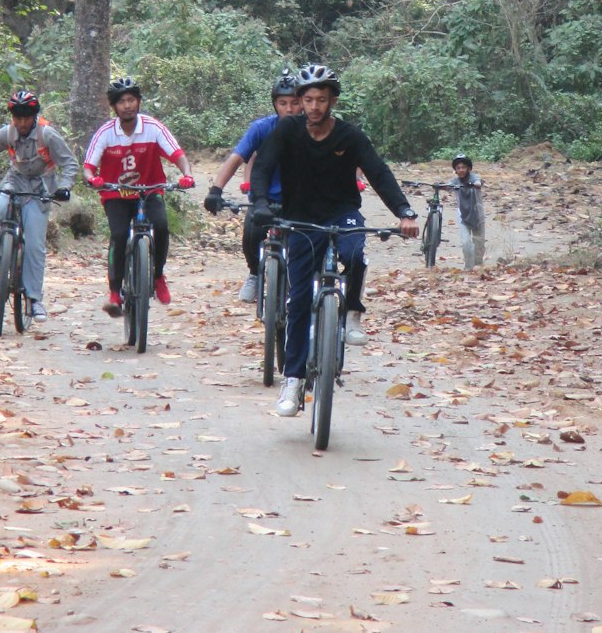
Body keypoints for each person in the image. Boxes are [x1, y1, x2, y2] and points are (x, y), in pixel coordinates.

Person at [249, 62, 418, 418]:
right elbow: (263, 166)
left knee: (356, 254)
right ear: (300, 100)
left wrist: (404, 212)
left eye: (321, 100)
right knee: (296, 303)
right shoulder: (287, 131)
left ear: (333, 102)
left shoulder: (350, 136)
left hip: (342, 214)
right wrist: (261, 202)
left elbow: (378, 172)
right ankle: (293, 380)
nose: (313, 107)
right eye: (307, 99)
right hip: (300, 220)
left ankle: (352, 312)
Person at [0, 90, 78, 322]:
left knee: (34, 244)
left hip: (41, 187)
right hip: (15, 180)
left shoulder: (47, 135)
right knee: (0, 208)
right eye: (17, 117)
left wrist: (64, 187)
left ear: (34, 116)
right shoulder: (8, 133)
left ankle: (34, 300)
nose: (22, 123)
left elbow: (69, 163)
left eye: (26, 117)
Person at [84, 77, 195, 314]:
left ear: (139, 101)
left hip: (149, 191)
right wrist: (93, 178)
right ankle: (115, 293)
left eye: (131, 99)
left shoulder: (153, 128)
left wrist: (187, 174)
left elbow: (177, 154)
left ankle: (157, 276)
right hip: (115, 194)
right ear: (114, 106)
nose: (127, 105)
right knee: (119, 234)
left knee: (162, 226)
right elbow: (88, 167)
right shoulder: (106, 133)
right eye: (122, 101)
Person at [203, 69, 301, 302]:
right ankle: (254, 274)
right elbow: (236, 158)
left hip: (300, 201)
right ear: (275, 104)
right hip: (265, 199)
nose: (289, 109)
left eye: (295, 103)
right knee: (251, 234)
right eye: (283, 103)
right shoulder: (261, 128)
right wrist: (216, 190)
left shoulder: (312, 129)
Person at [450, 153, 485, 270]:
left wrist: (475, 185)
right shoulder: (455, 182)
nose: (461, 170)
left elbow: (478, 183)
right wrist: (439, 186)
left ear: (469, 168)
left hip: (477, 215)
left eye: (463, 167)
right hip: (463, 216)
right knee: (465, 243)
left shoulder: (474, 178)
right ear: (455, 170)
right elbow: (448, 186)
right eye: (458, 168)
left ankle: (478, 266)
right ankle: (468, 267)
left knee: (478, 243)